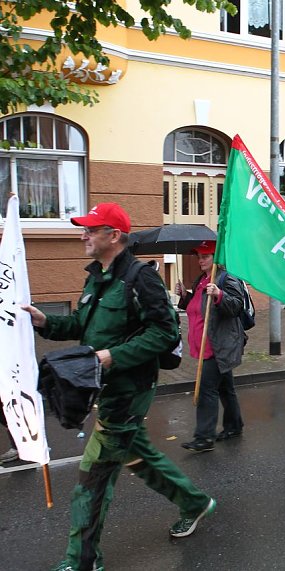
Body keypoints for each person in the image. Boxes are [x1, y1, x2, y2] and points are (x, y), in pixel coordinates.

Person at [23, 203, 215, 571]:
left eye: (90, 230)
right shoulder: (97, 276)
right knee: (137, 454)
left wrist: (112, 356)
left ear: (113, 236)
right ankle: (195, 503)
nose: (83, 236)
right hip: (105, 387)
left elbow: (164, 333)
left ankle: (82, 559)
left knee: (94, 475)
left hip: (130, 389)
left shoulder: (141, 278)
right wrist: (45, 321)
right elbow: (81, 324)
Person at [175, 241, 245, 452]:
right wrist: (185, 296)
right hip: (204, 344)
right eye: (199, 256)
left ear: (216, 257)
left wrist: (219, 295)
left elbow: (236, 306)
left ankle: (204, 437)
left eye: (205, 256)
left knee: (207, 390)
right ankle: (234, 425)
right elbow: (197, 308)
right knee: (225, 387)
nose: (200, 260)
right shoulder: (201, 280)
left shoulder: (226, 278)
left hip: (217, 346)